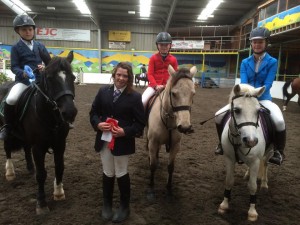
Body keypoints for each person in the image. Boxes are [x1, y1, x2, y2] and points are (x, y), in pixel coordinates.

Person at [214, 27, 286, 166]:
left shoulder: (272, 62)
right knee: (218, 115)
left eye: (260, 42)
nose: (257, 45)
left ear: (266, 43)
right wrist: (248, 95)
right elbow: (244, 83)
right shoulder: (245, 62)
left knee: (279, 121)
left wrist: (256, 95)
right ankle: (221, 144)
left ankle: (278, 151)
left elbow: (268, 83)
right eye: (254, 42)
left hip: (263, 97)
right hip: (245, 98)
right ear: (251, 44)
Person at [89, 62, 145, 223]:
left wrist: (124, 132)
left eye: (125, 76)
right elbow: (93, 112)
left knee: (121, 171)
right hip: (104, 139)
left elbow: (140, 123)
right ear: (114, 75)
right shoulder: (102, 92)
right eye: (118, 74)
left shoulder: (135, 97)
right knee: (107, 171)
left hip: (122, 142)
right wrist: (98, 124)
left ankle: (124, 206)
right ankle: (106, 204)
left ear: (129, 78)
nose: (121, 78)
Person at [0, 15, 51, 140]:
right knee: (11, 99)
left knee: (57, 95)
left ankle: (62, 121)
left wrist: (44, 67)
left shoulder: (40, 46)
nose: (27, 32)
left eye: (29, 29)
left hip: (40, 81)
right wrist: (22, 72)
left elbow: (49, 62)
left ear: (33, 30)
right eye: (24, 30)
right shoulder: (16, 48)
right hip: (24, 82)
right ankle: (7, 126)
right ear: (18, 31)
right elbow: (14, 66)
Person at [141, 32, 178, 107]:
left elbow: (175, 75)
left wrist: (168, 85)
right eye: (161, 44)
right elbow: (150, 74)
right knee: (142, 101)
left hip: (168, 87)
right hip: (153, 87)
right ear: (157, 45)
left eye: (166, 45)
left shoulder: (173, 60)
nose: (164, 47)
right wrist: (155, 85)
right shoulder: (153, 58)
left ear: (170, 45)